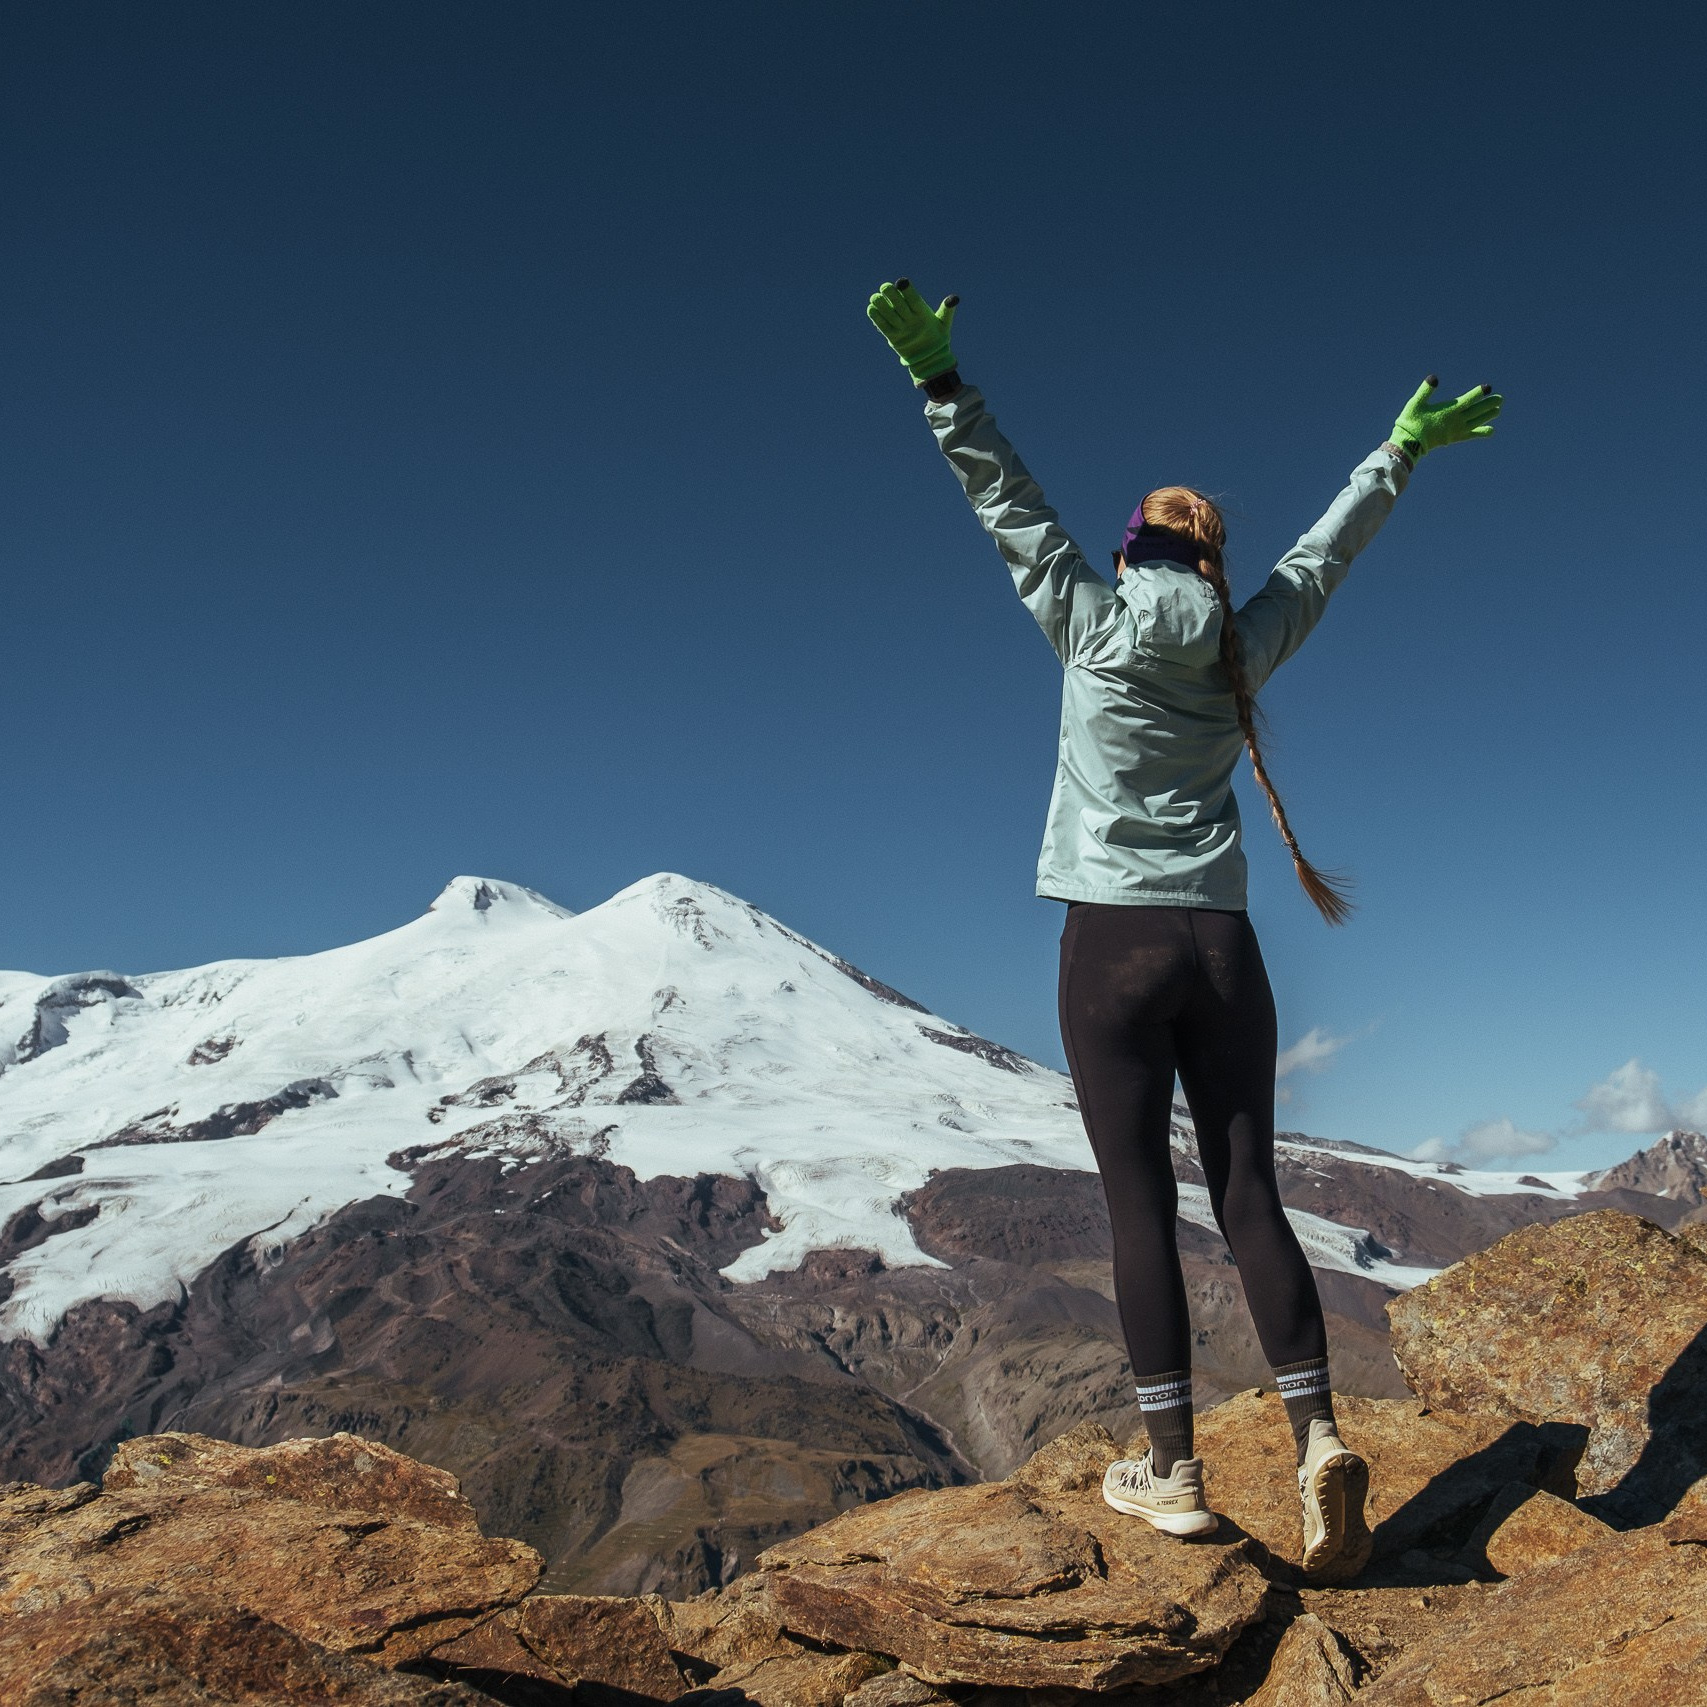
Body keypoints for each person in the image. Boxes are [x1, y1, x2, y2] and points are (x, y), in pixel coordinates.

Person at [866, 278, 1501, 1582]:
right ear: (1209, 564)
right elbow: (1324, 556)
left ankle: (1173, 1472)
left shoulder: (1089, 626)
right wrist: (1400, 451)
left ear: (1128, 556)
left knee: (1138, 1205)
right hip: (1224, 946)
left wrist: (940, 380)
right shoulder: (1240, 651)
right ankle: (1319, 1437)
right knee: (1249, 1189)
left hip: (1112, 945)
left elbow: (1004, 499)